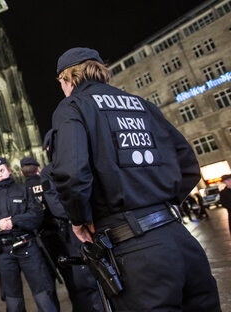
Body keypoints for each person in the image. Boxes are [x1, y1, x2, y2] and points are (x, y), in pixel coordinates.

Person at [51, 47, 220, 310]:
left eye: (61, 82)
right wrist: (159, 204)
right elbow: (188, 164)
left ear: (68, 78)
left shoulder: (73, 107)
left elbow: (72, 174)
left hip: (136, 252)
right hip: (181, 239)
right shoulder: (142, 104)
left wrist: (79, 219)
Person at [20, 155, 104, 312]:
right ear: (37, 169)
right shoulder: (47, 177)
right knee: (74, 278)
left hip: (39, 242)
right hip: (62, 234)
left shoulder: (22, 191)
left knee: (47, 287)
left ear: (21, 173)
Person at [0, 157, 59, 312]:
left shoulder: (23, 190)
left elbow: (36, 215)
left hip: (27, 247)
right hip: (4, 253)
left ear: (9, 170)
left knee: (43, 294)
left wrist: (14, 221)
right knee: (13, 301)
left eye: (2, 170)